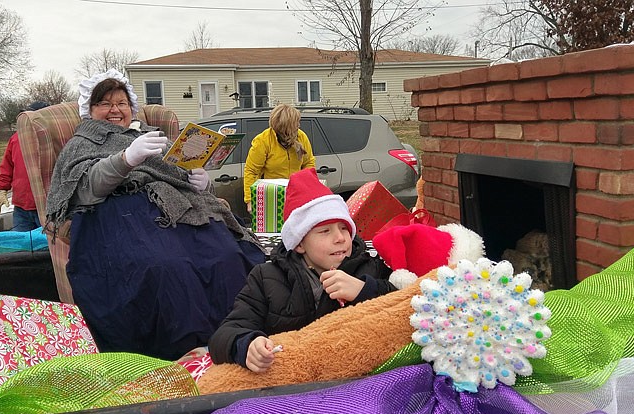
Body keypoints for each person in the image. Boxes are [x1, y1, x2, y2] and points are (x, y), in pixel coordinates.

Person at [44, 69, 266, 361]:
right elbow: (86, 188)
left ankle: (234, 338)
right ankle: (181, 353)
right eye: (105, 103)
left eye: (121, 103)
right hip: (121, 217)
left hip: (181, 211)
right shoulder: (83, 143)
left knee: (228, 255)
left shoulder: (151, 135)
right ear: (89, 109)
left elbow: (178, 173)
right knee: (165, 267)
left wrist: (202, 182)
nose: (115, 110)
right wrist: (125, 159)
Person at [209, 167, 397, 372]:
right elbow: (223, 335)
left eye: (344, 228)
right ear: (299, 243)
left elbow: (406, 310)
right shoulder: (267, 278)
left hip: (355, 383)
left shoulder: (369, 268)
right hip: (292, 387)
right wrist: (246, 346)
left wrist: (364, 290)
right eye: (325, 231)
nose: (340, 238)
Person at [243, 103, 316, 213]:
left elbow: (308, 163)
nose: (299, 126)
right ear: (286, 126)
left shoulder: (301, 136)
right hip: (272, 195)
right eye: (296, 123)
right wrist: (250, 200)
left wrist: (309, 188)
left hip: (297, 193)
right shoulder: (263, 140)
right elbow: (251, 171)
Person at [0, 101, 50, 231]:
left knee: (47, 247)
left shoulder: (52, 139)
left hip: (46, 206)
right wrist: (1, 189)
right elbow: (7, 166)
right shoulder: (16, 138)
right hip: (21, 206)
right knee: (21, 247)